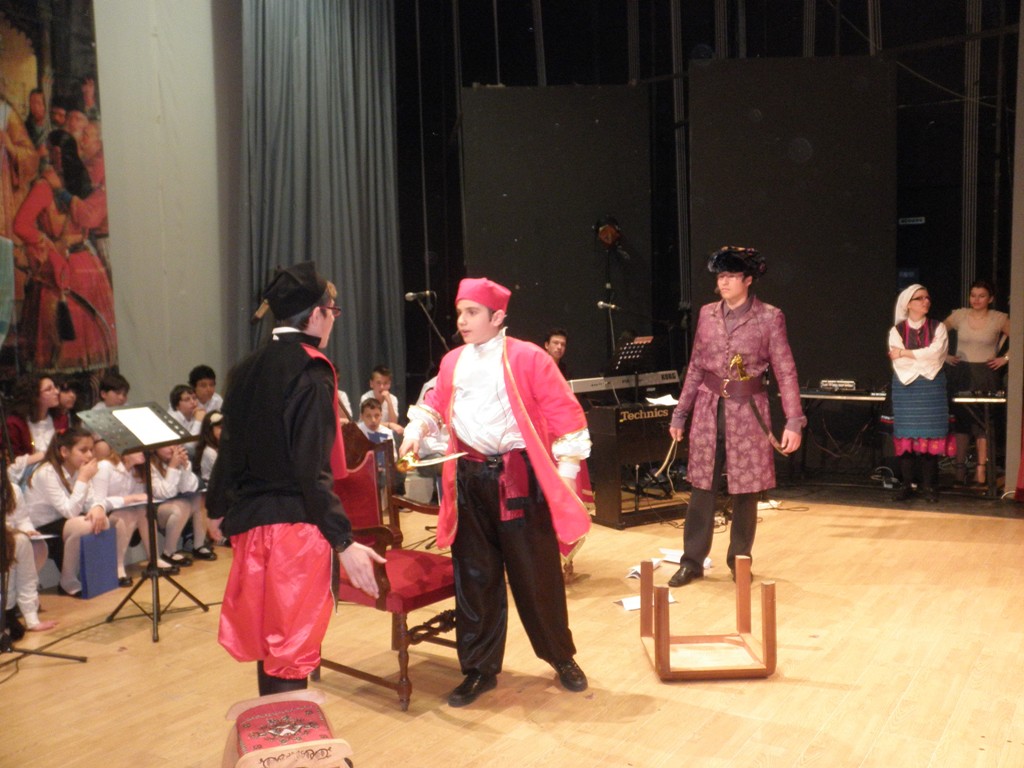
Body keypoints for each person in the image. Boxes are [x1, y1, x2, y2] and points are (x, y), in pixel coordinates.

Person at [399, 277, 592, 708]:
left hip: (517, 479)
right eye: (459, 313)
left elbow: (567, 416)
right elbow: (434, 405)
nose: (462, 321)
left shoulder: (530, 357)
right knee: (475, 577)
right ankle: (479, 669)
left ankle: (561, 657)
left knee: (536, 575)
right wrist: (415, 430)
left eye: (472, 313)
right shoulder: (452, 361)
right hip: (468, 480)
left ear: (498, 316)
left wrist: (565, 475)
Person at [206, 261, 383, 696]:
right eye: (332, 312)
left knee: (270, 645)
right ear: (317, 314)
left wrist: (215, 507)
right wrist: (344, 541)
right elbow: (311, 470)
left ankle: (275, 733)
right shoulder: (311, 371)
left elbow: (229, 448)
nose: (333, 320)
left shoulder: (244, 368)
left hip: (251, 529)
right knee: (291, 648)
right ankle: (289, 737)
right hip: (295, 533)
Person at [667, 247, 805, 588]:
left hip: (748, 413)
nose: (723, 282)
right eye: (720, 276)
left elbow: (785, 371)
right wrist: (680, 413)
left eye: (730, 276)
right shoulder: (707, 314)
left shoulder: (769, 317)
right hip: (707, 409)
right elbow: (696, 366)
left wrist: (793, 420)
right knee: (702, 487)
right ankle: (692, 561)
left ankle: (740, 561)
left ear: (748, 280)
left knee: (746, 490)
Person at [15, 129, 117, 372]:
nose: (56, 158)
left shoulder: (82, 185)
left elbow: (89, 217)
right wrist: (47, 245)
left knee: (90, 335)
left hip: (85, 267)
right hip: (58, 265)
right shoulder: (44, 187)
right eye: (53, 153)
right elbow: (20, 224)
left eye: (59, 153)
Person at [23, 426, 112, 597]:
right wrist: (83, 479)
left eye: (91, 450)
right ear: (64, 451)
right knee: (84, 525)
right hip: (42, 526)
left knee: (103, 520)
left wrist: (98, 508)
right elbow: (69, 511)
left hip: (64, 520)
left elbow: (93, 500)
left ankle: (97, 576)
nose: (90, 455)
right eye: (83, 450)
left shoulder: (79, 469)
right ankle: (67, 581)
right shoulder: (47, 472)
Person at [888, 284, 954, 502]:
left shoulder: (938, 327)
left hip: (931, 387)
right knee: (906, 438)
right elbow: (898, 361)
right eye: (920, 298)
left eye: (927, 298)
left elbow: (936, 354)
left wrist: (905, 352)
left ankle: (929, 486)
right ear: (908, 304)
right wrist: (917, 358)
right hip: (906, 386)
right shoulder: (897, 331)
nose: (926, 301)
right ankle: (907, 484)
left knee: (929, 438)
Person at [943, 279, 1011, 486]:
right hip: (962, 372)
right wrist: (944, 356)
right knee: (962, 422)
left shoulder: (998, 318)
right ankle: (959, 468)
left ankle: (980, 469)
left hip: (986, 373)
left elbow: (1020, 337)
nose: (976, 299)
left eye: (981, 296)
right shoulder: (960, 315)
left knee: (983, 422)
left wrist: (1005, 358)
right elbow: (936, 334)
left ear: (990, 298)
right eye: (973, 295)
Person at [3, 473, 58, 637]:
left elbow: (27, 579)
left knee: (22, 542)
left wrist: (32, 619)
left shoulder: (12, 491)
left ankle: (16, 611)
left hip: (5, 609)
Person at [5, 374, 65, 461]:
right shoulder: (15, 424)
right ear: (34, 396)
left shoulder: (60, 419)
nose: (57, 392)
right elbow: (13, 461)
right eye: (49, 389)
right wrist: (45, 455)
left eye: (55, 387)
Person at [360, 365, 403, 436]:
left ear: (389, 384)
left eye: (385, 383)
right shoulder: (365, 397)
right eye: (378, 383)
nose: (382, 387)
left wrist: (389, 402)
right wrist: (388, 425)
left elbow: (394, 423)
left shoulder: (393, 398)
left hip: (386, 433)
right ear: (371, 383)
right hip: (368, 433)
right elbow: (366, 422)